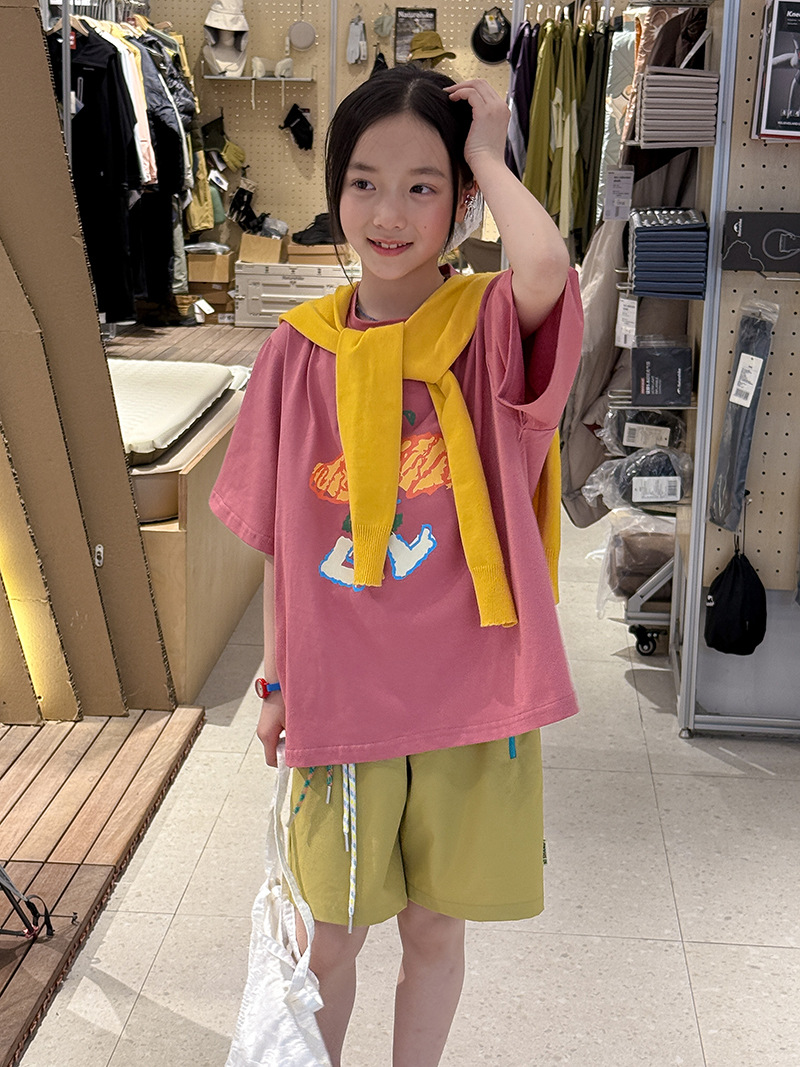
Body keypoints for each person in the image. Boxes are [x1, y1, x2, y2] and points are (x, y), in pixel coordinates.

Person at [210, 63, 583, 1067]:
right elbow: (286, 538)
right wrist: (275, 678)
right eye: (364, 182)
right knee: (327, 937)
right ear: (335, 193)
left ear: (461, 203)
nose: (388, 213)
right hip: (341, 696)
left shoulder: (487, 328)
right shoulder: (297, 353)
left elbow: (547, 265)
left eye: (422, 186)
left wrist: (488, 152)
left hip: (468, 688)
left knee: (434, 930)